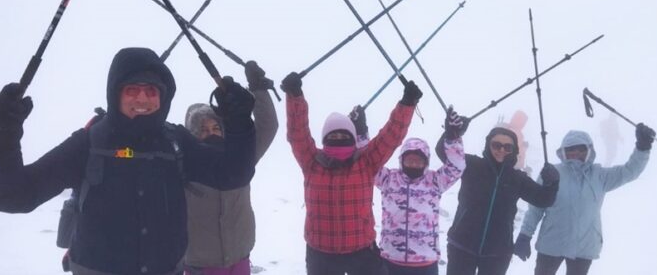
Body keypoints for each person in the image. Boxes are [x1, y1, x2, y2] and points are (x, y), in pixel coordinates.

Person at [0, 47, 256, 275]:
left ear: (163, 97)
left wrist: (240, 122)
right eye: (131, 89)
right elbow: (12, 196)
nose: (141, 98)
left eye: (151, 90)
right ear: (115, 93)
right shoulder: (88, 143)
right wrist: (2, 138)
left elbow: (233, 174)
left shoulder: (176, 142)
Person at [280, 71, 422, 275]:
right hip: (321, 254)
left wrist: (407, 104)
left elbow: (390, 136)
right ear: (325, 139)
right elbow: (297, 133)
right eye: (333, 135)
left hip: (361, 252)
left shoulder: (366, 161)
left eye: (344, 134)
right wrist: (295, 96)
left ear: (353, 138)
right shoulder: (312, 161)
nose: (339, 137)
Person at [513, 123, 655, 275]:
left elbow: (629, 171)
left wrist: (642, 148)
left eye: (580, 148)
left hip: (584, 247)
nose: (575, 152)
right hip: (551, 244)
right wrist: (525, 235)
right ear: (563, 151)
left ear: (589, 150)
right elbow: (536, 209)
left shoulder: (600, 175)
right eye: (570, 149)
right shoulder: (551, 173)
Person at [183, 61, 278, 275]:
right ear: (192, 136)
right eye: (203, 129)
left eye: (216, 127)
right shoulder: (184, 163)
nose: (211, 132)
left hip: (240, 259)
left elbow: (268, 126)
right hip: (200, 265)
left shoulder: (240, 158)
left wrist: (258, 89)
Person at [438, 126, 560, 275]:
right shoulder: (472, 165)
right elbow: (444, 153)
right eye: (496, 145)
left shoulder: (518, 178)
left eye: (507, 147)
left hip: (497, 253)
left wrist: (552, 183)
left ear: (514, 150)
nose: (501, 150)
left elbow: (543, 200)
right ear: (488, 145)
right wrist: (452, 133)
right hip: (462, 245)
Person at [373, 107, 467, 275]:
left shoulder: (435, 181)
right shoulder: (389, 179)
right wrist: (360, 134)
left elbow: (456, 167)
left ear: (426, 163)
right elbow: (368, 164)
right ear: (402, 160)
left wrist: (452, 139)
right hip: (390, 260)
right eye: (410, 160)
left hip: (425, 263)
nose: (414, 164)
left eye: (419, 161)